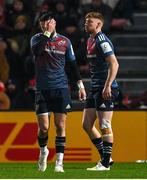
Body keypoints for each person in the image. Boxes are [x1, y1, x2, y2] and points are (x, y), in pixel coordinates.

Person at [30, 12, 86, 173]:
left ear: (53, 22)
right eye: (42, 24)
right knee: (44, 128)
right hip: (42, 89)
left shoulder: (65, 42)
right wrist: (46, 33)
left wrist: (80, 85)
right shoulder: (37, 39)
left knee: (60, 125)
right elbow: (37, 51)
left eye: (47, 23)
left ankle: (59, 162)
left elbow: (73, 65)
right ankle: (43, 152)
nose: (44, 26)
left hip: (61, 88)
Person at [82, 12, 119, 171]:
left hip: (105, 88)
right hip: (95, 87)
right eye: (85, 21)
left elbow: (114, 64)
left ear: (99, 25)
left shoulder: (102, 41)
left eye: (90, 22)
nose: (86, 24)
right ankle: (107, 157)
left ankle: (104, 163)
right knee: (86, 125)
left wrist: (108, 85)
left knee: (104, 124)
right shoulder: (90, 40)